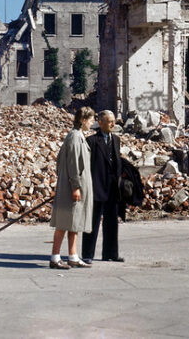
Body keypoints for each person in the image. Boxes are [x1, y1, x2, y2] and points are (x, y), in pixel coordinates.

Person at [49, 106, 95, 270]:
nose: (92, 123)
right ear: (83, 120)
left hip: (74, 186)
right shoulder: (75, 138)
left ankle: (73, 256)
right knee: (64, 222)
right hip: (73, 188)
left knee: (74, 223)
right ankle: (55, 257)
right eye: (90, 120)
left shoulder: (77, 136)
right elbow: (74, 164)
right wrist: (75, 186)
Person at [81, 110, 123, 264]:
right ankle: (87, 254)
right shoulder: (92, 141)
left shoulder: (116, 140)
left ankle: (111, 253)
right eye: (110, 121)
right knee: (92, 221)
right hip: (97, 186)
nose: (113, 124)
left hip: (113, 187)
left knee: (112, 221)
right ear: (101, 122)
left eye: (114, 121)